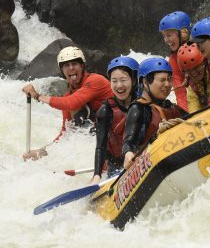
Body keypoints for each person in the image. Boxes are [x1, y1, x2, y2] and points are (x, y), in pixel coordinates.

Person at [22, 46, 114, 161]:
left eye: (74, 64)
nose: (71, 68)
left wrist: (37, 95)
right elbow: (65, 134)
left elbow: (72, 103)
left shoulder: (95, 80)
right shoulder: (67, 97)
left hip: (118, 129)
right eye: (66, 65)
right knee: (74, 130)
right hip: (100, 138)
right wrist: (40, 153)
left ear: (82, 66)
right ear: (62, 71)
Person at [122, 57, 188, 169]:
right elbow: (129, 141)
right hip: (152, 166)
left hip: (176, 160)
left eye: (169, 79)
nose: (167, 84)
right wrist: (128, 153)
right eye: (162, 80)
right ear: (145, 82)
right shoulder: (138, 109)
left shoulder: (171, 107)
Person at [91, 56, 139, 184]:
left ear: (134, 81)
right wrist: (97, 175)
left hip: (141, 157)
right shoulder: (105, 111)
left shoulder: (144, 105)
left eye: (123, 80)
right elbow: (100, 146)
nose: (119, 86)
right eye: (114, 81)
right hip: (116, 164)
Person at [159, 11, 191, 111]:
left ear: (183, 33)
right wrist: (185, 114)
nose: (166, 40)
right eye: (164, 36)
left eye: (168, 35)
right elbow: (180, 91)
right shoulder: (173, 59)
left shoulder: (202, 48)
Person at [177, 42, 210, 112]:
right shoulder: (192, 88)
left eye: (196, 67)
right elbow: (194, 112)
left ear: (204, 62)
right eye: (188, 70)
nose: (193, 73)